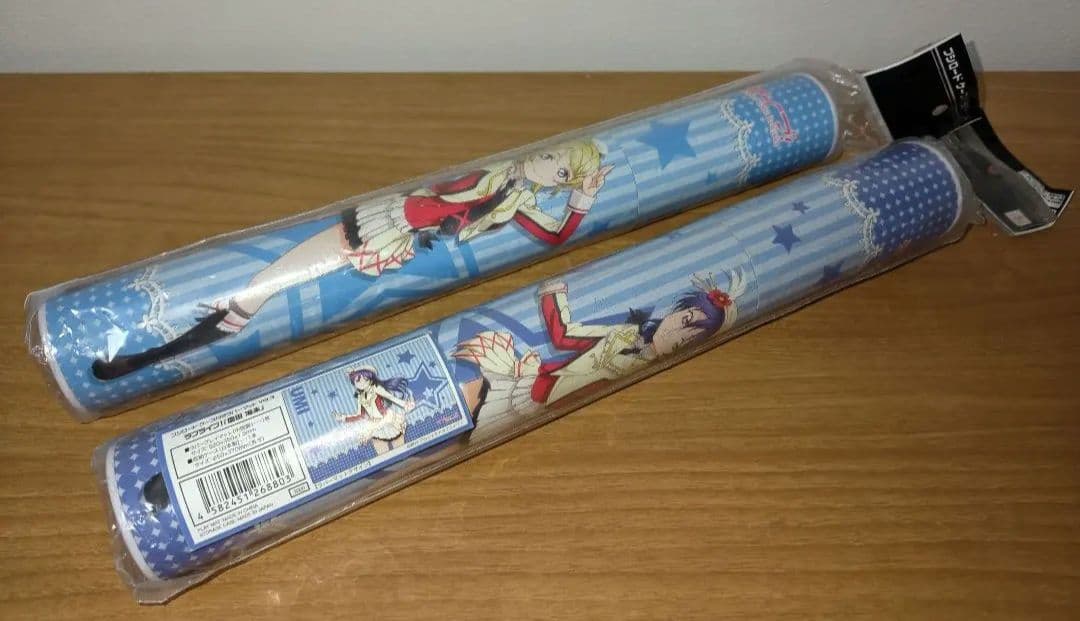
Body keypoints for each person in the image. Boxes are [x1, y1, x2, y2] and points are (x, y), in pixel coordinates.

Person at [92, 140, 612, 380]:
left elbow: (555, 233)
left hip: (390, 240)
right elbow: (446, 197)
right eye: (552, 156)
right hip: (379, 220)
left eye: (560, 171)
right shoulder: (498, 178)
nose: (547, 164)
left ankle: (151, 357)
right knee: (262, 287)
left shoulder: (515, 198)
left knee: (262, 290)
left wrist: (583, 199)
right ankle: (151, 354)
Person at [454, 270, 746, 420]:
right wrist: (553, 292)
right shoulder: (623, 335)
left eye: (691, 337)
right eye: (685, 320)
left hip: (541, 405)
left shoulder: (649, 371)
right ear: (675, 312)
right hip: (532, 389)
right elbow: (564, 335)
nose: (678, 336)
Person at [335, 367, 414, 456]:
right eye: (358, 381)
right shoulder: (360, 397)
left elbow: (390, 397)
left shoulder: (376, 388)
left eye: (365, 379)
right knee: (382, 455)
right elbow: (360, 415)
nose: (362, 383)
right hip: (374, 425)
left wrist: (404, 404)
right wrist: (344, 418)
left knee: (401, 450)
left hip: (387, 419)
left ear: (370, 379)